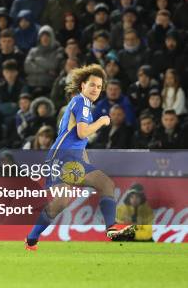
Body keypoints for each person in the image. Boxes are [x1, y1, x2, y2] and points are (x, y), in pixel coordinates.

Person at [25, 64, 136, 251]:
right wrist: (102, 121)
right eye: (92, 85)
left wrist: (85, 163)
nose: (95, 89)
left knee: (65, 201)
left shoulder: (80, 104)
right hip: (63, 158)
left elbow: (77, 139)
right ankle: (111, 227)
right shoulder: (81, 102)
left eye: (99, 87)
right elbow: (83, 132)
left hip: (65, 157)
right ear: (82, 86)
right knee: (101, 186)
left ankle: (31, 239)